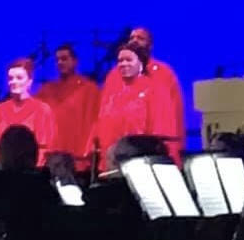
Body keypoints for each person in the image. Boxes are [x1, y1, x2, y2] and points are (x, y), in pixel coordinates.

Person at [88, 41, 178, 169]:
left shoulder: (155, 91)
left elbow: (161, 132)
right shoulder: (113, 95)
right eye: (120, 61)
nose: (123, 64)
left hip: (141, 162)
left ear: (141, 63)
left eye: (128, 60)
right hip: (113, 162)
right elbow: (100, 123)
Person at [0, 58, 57, 165]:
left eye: (19, 78)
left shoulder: (42, 110)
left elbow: (45, 149)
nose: (14, 82)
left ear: (29, 81)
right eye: (11, 78)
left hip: (32, 171)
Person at [37, 44, 100, 164]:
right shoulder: (47, 90)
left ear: (75, 61)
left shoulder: (89, 89)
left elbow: (95, 121)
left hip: (78, 156)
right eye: (57, 60)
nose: (60, 62)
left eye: (64, 59)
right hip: (53, 156)